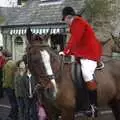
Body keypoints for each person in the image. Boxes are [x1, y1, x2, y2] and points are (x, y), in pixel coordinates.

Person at [59, 6, 102, 117]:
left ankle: (93, 106)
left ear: (69, 17)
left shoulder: (78, 22)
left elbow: (75, 40)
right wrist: (67, 52)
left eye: (65, 20)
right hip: (82, 53)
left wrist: (66, 52)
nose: (66, 23)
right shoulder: (75, 24)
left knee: (87, 74)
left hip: (90, 53)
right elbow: (74, 41)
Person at [2, 50, 18, 120]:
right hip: (14, 85)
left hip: (10, 86)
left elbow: (8, 78)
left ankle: (13, 116)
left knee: (13, 102)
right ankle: (13, 114)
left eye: (2, 55)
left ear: (5, 56)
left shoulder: (8, 64)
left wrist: (4, 86)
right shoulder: (13, 62)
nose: (2, 56)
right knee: (14, 102)